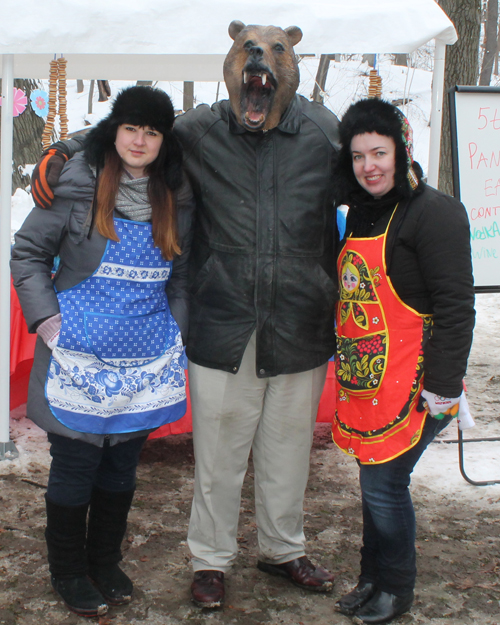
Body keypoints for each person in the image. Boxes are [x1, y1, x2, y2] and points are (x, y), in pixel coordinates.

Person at [29, 21, 339, 609]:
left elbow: (368, 166)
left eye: (273, 51)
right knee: (219, 453)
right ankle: (211, 561)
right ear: (230, 62)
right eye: (247, 48)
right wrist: (66, 148)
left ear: (292, 62)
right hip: (223, 322)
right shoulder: (199, 130)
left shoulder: (321, 129)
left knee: (288, 449)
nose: (259, 60)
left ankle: (282, 548)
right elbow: (134, 131)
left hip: (300, 319)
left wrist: (406, 170)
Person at [11, 86, 194, 618]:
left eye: (152, 132)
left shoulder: (176, 195)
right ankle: (69, 570)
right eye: (131, 128)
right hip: (75, 356)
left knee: (121, 468)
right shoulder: (75, 182)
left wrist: (172, 333)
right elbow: (27, 255)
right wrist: (48, 323)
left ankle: (105, 560)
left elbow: (181, 275)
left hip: (144, 359)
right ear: (114, 131)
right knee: (75, 466)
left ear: (164, 141)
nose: (139, 140)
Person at [331, 98, 475, 624]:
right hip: (370, 379)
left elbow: (458, 307)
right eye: (358, 155)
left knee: (385, 484)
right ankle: (372, 579)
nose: (369, 165)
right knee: (375, 479)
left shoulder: (434, 213)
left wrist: (442, 387)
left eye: (379, 152)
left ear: (402, 151)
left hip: (418, 381)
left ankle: (396, 586)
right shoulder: (362, 212)